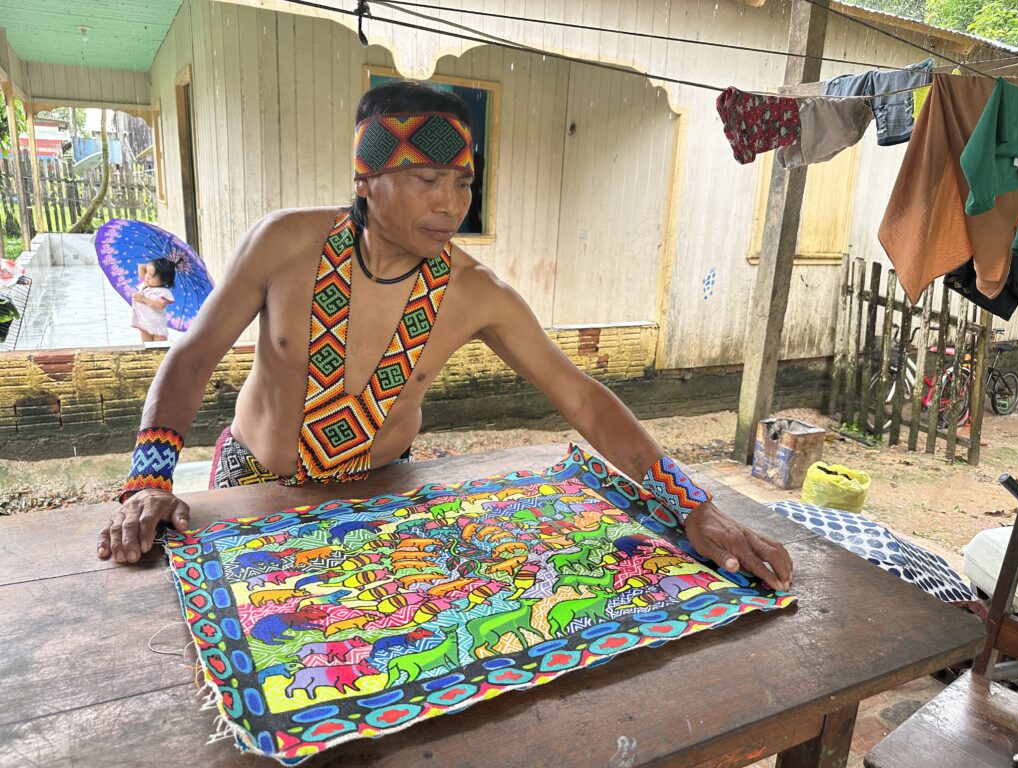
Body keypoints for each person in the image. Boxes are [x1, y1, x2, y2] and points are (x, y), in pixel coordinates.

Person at [97, 81, 792, 592]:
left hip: (382, 492)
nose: (452, 202)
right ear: (367, 179)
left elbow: (581, 400)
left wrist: (693, 506)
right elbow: (190, 361)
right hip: (251, 483)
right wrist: (149, 480)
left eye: (462, 181)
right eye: (427, 178)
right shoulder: (284, 244)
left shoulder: (474, 292)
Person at [131, 258, 176, 342]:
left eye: (151, 275)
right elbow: (141, 267)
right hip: (144, 325)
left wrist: (143, 299)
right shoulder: (144, 285)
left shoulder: (164, 292)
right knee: (147, 349)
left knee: (159, 349)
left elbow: (160, 306)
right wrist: (152, 266)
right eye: (147, 272)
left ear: (164, 280)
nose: (147, 276)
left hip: (158, 328)